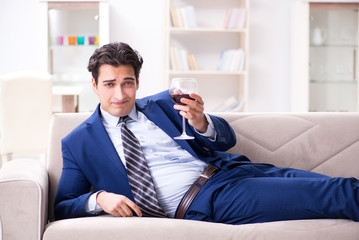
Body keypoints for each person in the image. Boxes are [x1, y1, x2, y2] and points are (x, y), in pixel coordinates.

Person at [54, 42, 359, 224]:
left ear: (137, 82)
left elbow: (227, 139)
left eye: (128, 82)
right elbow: (63, 205)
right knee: (338, 195)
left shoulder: (163, 103)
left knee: (345, 186)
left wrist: (202, 123)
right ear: (94, 85)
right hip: (207, 199)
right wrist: (101, 198)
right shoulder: (78, 142)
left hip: (236, 171)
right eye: (110, 84)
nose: (120, 94)